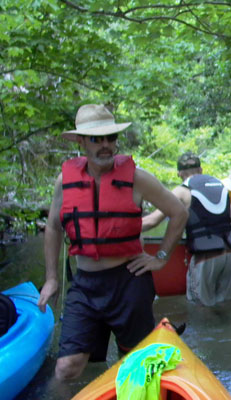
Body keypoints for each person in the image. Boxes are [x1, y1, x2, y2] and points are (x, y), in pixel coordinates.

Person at [37, 104, 188, 381]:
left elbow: (179, 212)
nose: (105, 145)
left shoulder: (138, 179)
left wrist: (162, 257)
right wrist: (51, 279)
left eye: (110, 138)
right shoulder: (64, 181)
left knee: (134, 363)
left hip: (128, 281)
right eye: (96, 139)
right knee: (67, 367)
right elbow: (54, 227)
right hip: (85, 284)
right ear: (81, 142)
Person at [141, 153, 231, 306]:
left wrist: (116, 229)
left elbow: (152, 221)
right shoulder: (220, 185)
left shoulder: (181, 191)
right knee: (226, 307)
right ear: (201, 170)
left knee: (200, 311)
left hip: (206, 259)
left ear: (179, 174)